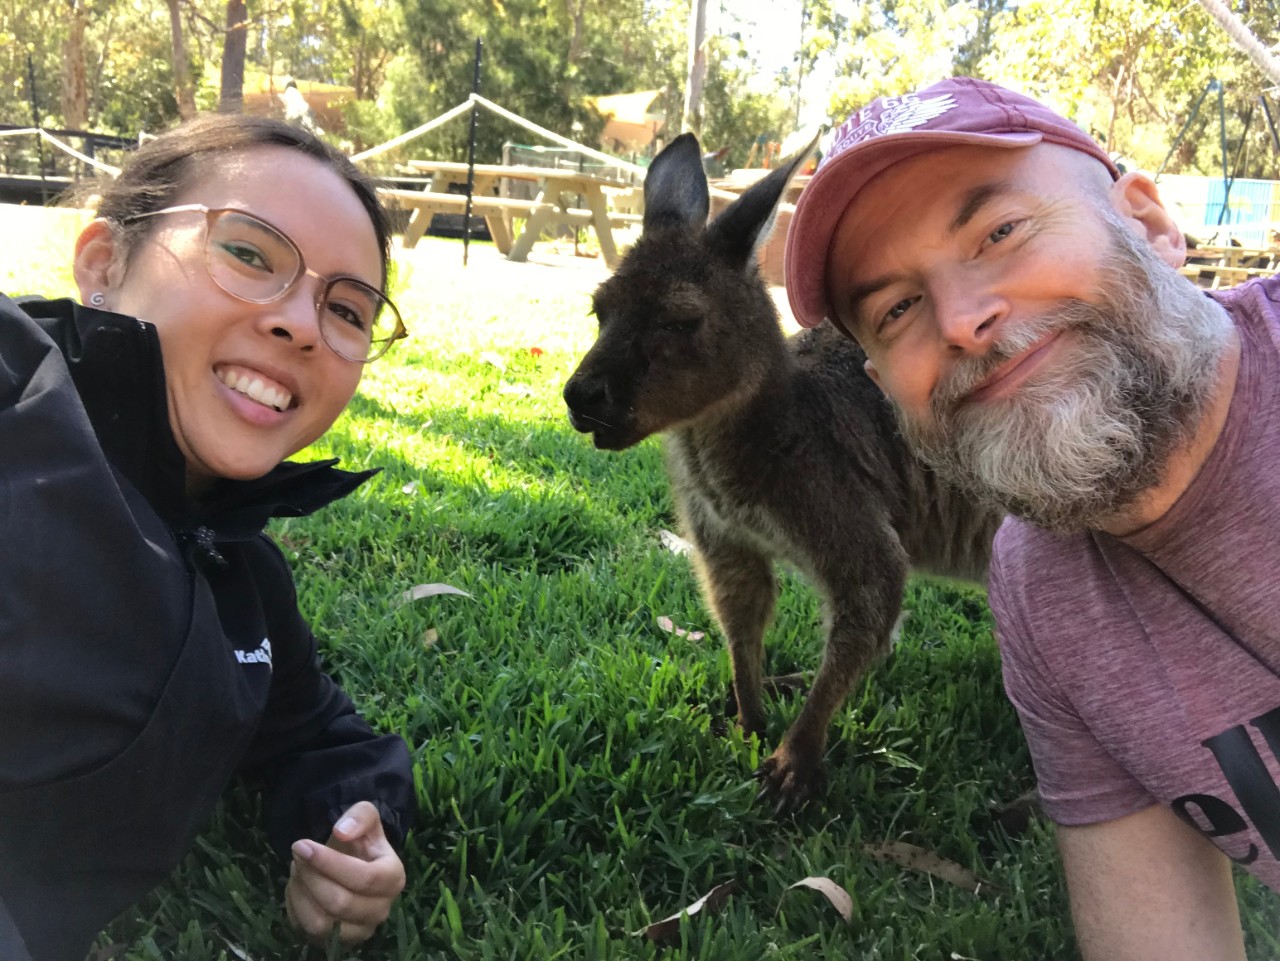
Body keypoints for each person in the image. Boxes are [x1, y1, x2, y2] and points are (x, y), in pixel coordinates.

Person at [783, 76, 1279, 960]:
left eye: (1000, 232)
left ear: (1150, 221)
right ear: (884, 392)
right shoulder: (1041, 586)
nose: (964, 322)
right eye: (897, 309)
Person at [0, 114, 416, 961]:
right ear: (103, 263)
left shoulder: (238, 574)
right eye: (251, 254)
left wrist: (349, 837)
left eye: (348, 309)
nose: (302, 323)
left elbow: (318, 737)